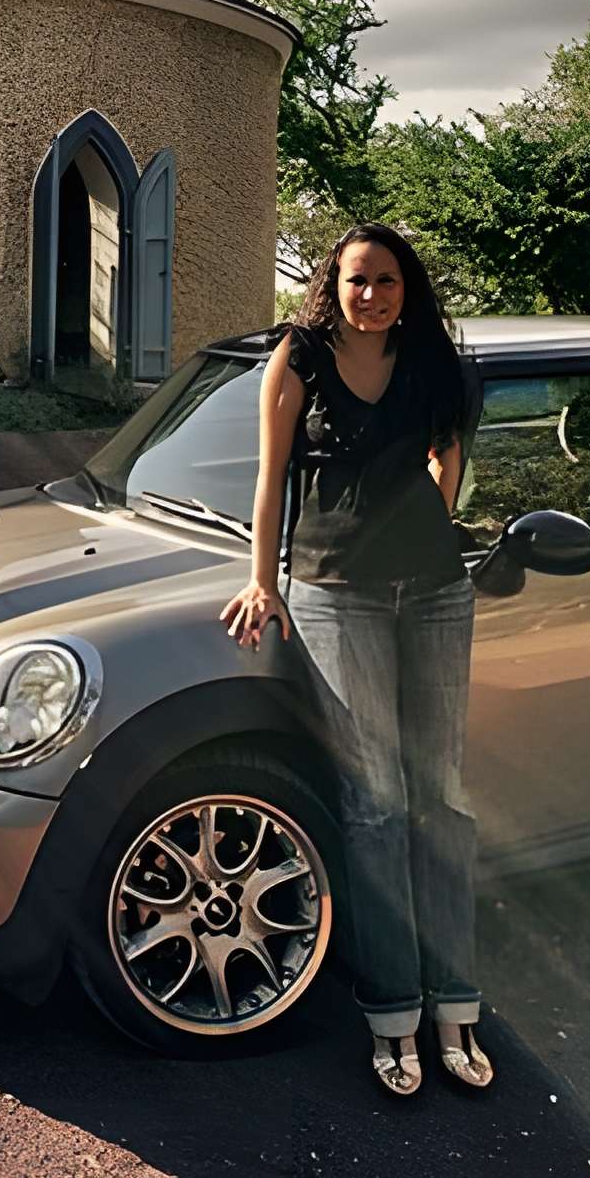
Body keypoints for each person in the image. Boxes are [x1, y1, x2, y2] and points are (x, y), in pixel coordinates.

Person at [218, 221, 490, 1097]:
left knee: (440, 799)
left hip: (437, 590)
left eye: (386, 281)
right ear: (331, 284)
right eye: (356, 280)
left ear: (408, 289)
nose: (371, 295)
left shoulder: (431, 360)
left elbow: (449, 456)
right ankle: (391, 1016)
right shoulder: (297, 360)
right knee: (376, 807)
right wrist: (264, 584)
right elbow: (269, 480)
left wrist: (430, 524)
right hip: (338, 593)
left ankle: (456, 1004)